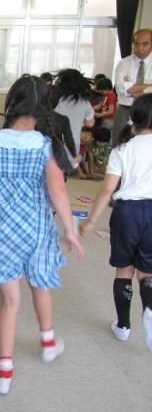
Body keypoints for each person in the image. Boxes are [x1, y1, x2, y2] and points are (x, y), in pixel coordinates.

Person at [0, 75, 84, 395]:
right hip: (36, 226)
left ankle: (4, 372)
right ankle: (48, 341)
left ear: (11, 104)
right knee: (41, 282)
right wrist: (70, 230)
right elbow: (58, 192)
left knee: (9, 301)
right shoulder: (45, 145)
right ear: (43, 108)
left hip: (0, 228)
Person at [80, 94, 152, 350]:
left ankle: (123, 326)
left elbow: (107, 189)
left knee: (124, 269)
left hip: (127, 212)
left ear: (134, 117)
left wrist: (91, 221)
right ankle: (150, 308)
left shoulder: (122, 149)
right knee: (148, 271)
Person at [112, 29, 152, 145]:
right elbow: (121, 90)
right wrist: (149, 85)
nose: (140, 48)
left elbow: (128, 89)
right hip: (125, 109)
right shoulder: (123, 63)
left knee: (146, 146)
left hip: (150, 110)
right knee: (119, 144)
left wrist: (132, 87)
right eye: (137, 44)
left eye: (145, 44)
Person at [52, 69, 95, 168]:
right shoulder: (84, 102)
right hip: (72, 143)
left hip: (54, 142)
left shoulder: (56, 99)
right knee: (64, 170)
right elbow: (90, 123)